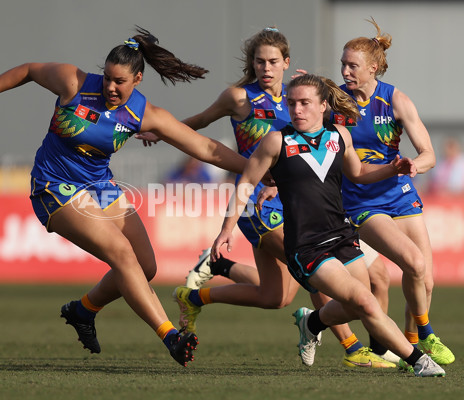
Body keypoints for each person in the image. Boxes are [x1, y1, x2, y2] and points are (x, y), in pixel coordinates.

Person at [0, 27, 254, 367]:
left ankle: (83, 310)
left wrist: (257, 168)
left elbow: (206, 149)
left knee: (145, 267)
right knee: (122, 255)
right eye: (108, 78)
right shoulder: (74, 82)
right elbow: (29, 70)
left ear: (138, 78)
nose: (111, 87)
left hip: (100, 186)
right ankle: (171, 336)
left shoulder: (144, 113)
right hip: (54, 186)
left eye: (120, 81)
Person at [139, 27, 394, 368]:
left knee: (278, 297)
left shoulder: (298, 97)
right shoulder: (239, 98)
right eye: (259, 61)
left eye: (273, 61)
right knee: (312, 265)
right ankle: (352, 347)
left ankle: (197, 293)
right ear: (253, 63)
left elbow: (337, 126)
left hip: (294, 202)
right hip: (256, 204)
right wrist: (160, 132)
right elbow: (199, 122)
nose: (266, 68)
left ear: (286, 63)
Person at [212, 73, 445, 377]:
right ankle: (419, 362)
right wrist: (226, 230)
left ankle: (312, 322)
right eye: (292, 103)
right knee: (365, 301)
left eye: (305, 103)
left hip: (341, 235)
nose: (296, 110)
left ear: (323, 105)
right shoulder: (276, 141)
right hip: (306, 246)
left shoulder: (339, 137)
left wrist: (391, 168)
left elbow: (358, 172)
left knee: (358, 305)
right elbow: (245, 184)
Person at [331, 18, 454, 367]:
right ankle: (426, 337)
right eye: (343, 64)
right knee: (412, 264)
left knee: (425, 281)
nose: (346, 71)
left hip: (400, 193)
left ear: (372, 68)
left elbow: (428, 152)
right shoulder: (337, 101)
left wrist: (417, 165)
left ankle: (411, 344)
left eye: (352, 65)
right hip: (361, 199)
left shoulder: (395, 99)